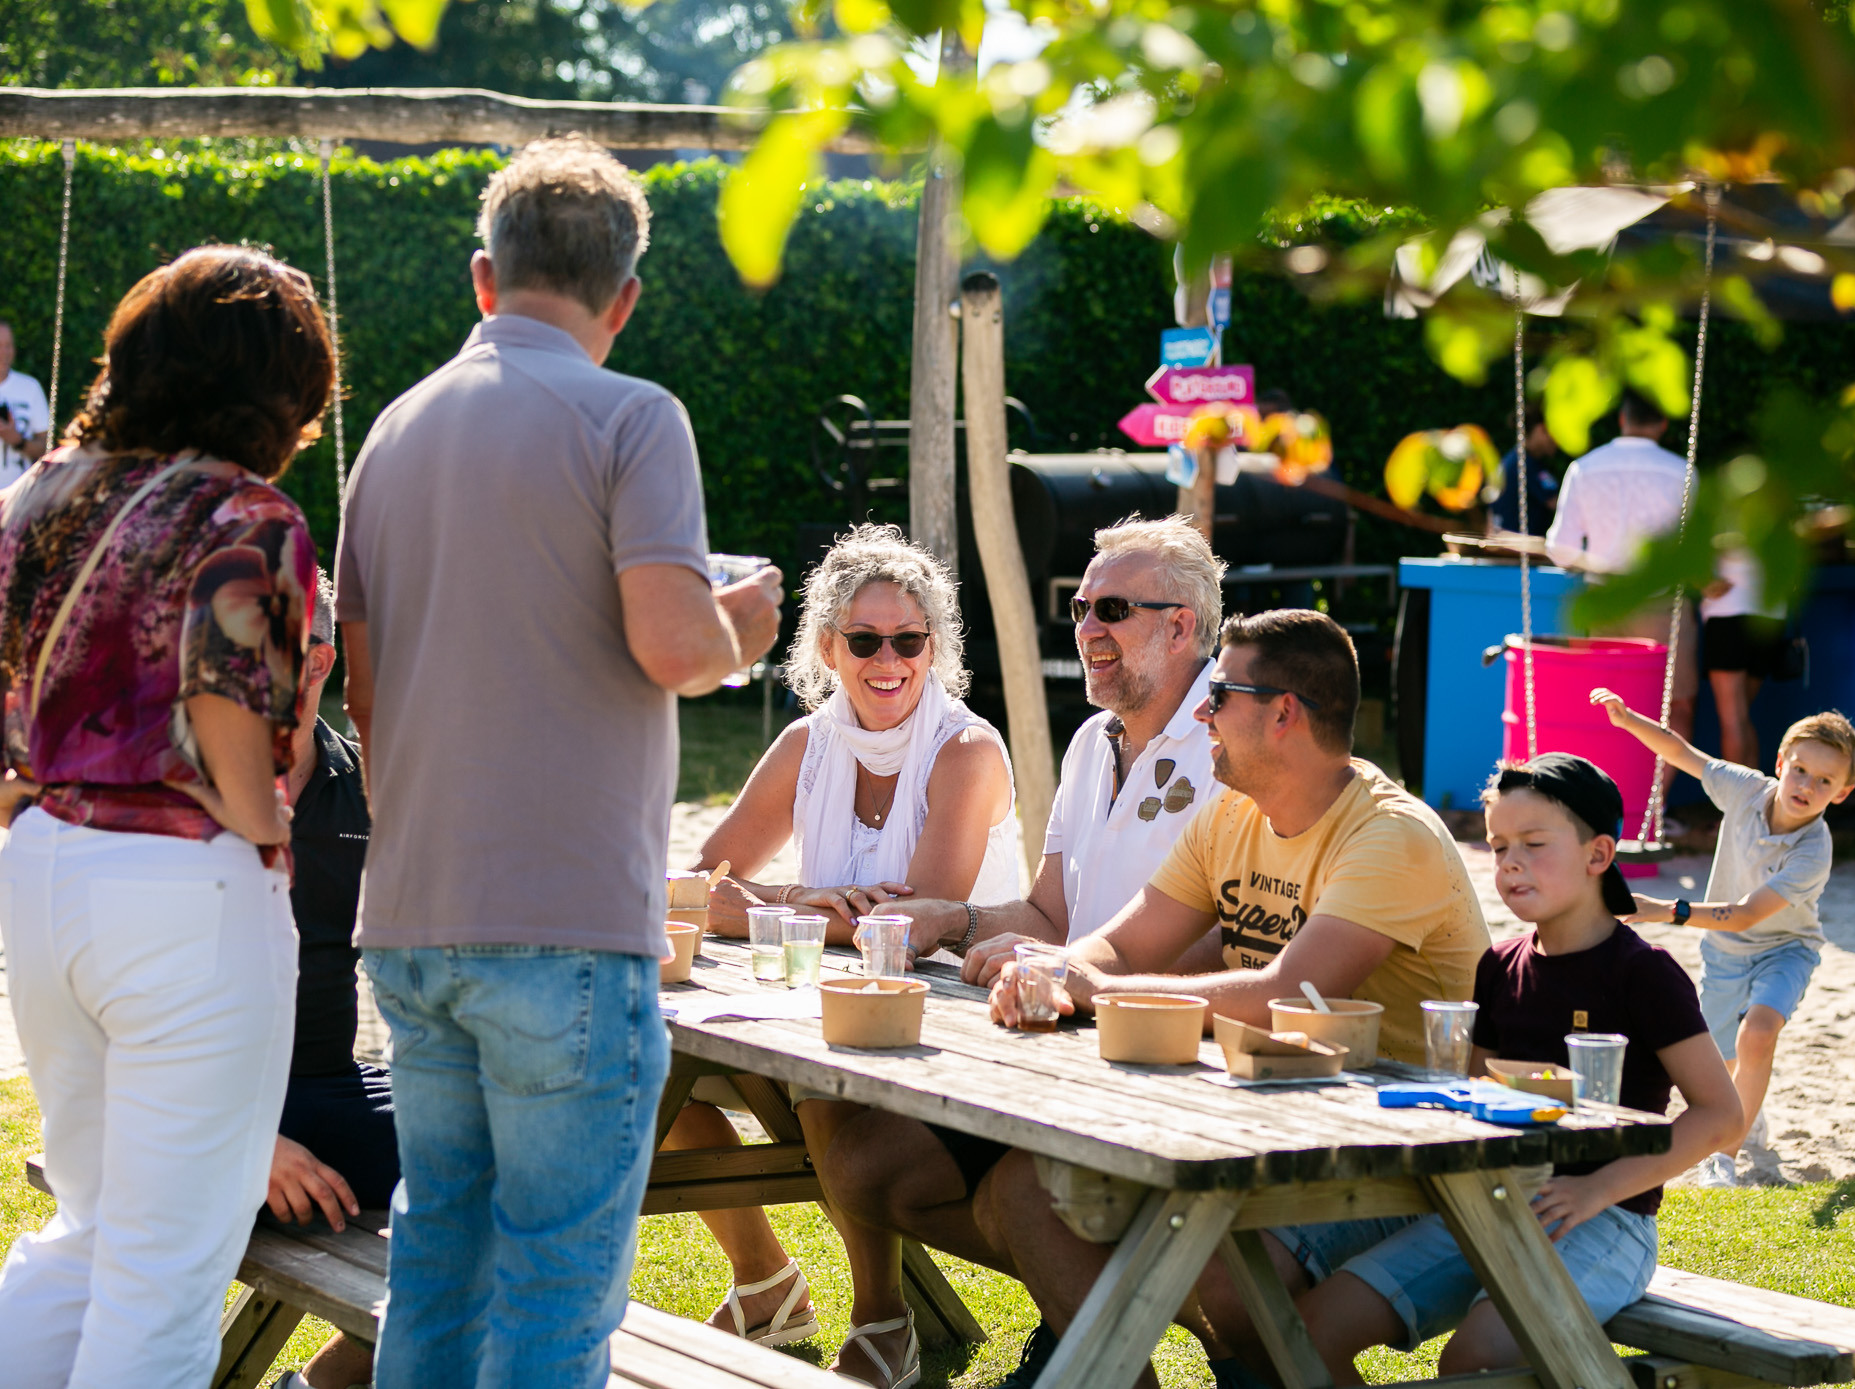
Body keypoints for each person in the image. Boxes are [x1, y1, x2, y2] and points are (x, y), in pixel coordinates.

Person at [337, 137, 783, 1387]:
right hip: (567, 922)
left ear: (484, 277)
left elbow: (361, 690)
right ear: (624, 299)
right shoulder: (634, 416)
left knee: (437, 1260)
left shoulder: (390, 431)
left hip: (413, 913)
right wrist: (742, 628)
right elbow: (674, 645)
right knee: (554, 1286)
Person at [981, 609, 1489, 1387]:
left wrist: (1097, 987)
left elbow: (1290, 991)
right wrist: (1055, 971)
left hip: (1406, 1147)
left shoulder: (1393, 837)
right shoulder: (1231, 812)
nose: (1201, 714)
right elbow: (1125, 943)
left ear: (1284, 712)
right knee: (1021, 1191)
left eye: (1218, 695)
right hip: (1269, 1119)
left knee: (1218, 1273)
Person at [0, 245, 324, 1387]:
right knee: (168, 1275)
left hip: (44, 867)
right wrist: (268, 824)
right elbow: (232, 733)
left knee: (91, 1229)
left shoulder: (37, 492)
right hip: (184, 887)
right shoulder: (248, 517)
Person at [809, 513, 1225, 1385]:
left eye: (1112, 609)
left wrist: (1079, 977)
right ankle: (1078, 1314)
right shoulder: (1091, 743)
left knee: (1020, 1197)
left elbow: (1242, 939)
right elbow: (1047, 910)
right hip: (1062, 1048)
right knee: (859, 1162)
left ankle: (1100, 1333)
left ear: (1182, 625)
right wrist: (954, 920)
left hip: (1169, 1060)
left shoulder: (1233, 738)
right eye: (1080, 608)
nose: (1088, 628)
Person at [1226, 755, 1741, 1382]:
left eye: (1533, 844)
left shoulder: (1645, 973)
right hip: (1488, 1201)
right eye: (1499, 848)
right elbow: (1474, 1102)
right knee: (1306, 1335)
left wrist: (1595, 1190)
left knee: (1473, 1360)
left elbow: (1721, 1116)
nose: (1510, 864)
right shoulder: (1498, 967)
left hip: (1606, 1218)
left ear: (1599, 854)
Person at [672, 522, 1019, 1388]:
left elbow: (914, 925)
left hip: (959, 1025)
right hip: (829, 1007)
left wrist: (774, 910)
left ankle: (883, 1318)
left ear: (934, 646)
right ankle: (765, 1279)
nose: (888, 659)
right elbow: (695, 884)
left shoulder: (967, 750)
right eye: (865, 640)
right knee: (648, 1056)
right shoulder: (809, 743)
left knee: (821, 1073)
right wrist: (798, 900)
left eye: (909, 640)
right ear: (828, 647)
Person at [1591, 690, 1855, 1187]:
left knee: (1757, 1033)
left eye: (1825, 781)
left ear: (1842, 793)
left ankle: (1723, 1156)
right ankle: (1747, 1108)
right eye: (1800, 770)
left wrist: (1664, 910)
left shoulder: (1812, 851)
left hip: (1785, 951)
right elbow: (1682, 752)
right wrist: (1629, 719)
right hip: (1724, 954)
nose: (1807, 785)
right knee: (1724, 1061)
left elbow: (1744, 914)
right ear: (1780, 763)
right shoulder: (1745, 789)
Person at [261, 572, 393, 1389]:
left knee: (502, 1146)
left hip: (323, 1084)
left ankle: (326, 1381)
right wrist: (243, 1142)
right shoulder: (178, 785)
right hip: (194, 1104)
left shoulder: (368, 784)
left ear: (322, 660)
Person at [1545, 392, 1698, 755]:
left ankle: (1610, 786)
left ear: (1622, 420)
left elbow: (1560, 550)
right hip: (1661, 604)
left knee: (1603, 705)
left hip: (1604, 602)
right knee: (1674, 704)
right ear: (1663, 423)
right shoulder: (1682, 472)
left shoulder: (1584, 468)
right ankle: (1655, 790)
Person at [1699, 548, 1786, 769]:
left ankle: (1737, 790)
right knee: (1741, 716)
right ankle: (1752, 787)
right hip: (1770, 614)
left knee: (1733, 719)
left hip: (1727, 610)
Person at [1488, 418, 1562, 538]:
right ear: (1541, 429)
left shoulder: (1511, 460)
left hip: (1502, 542)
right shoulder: (1527, 464)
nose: (1558, 441)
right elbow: (1558, 503)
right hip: (1519, 546)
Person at [0, 319, 52, 486]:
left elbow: (47, 448)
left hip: (19, 494)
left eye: (8, 345)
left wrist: (17, 440)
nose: (4, 352)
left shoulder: (30, 388)